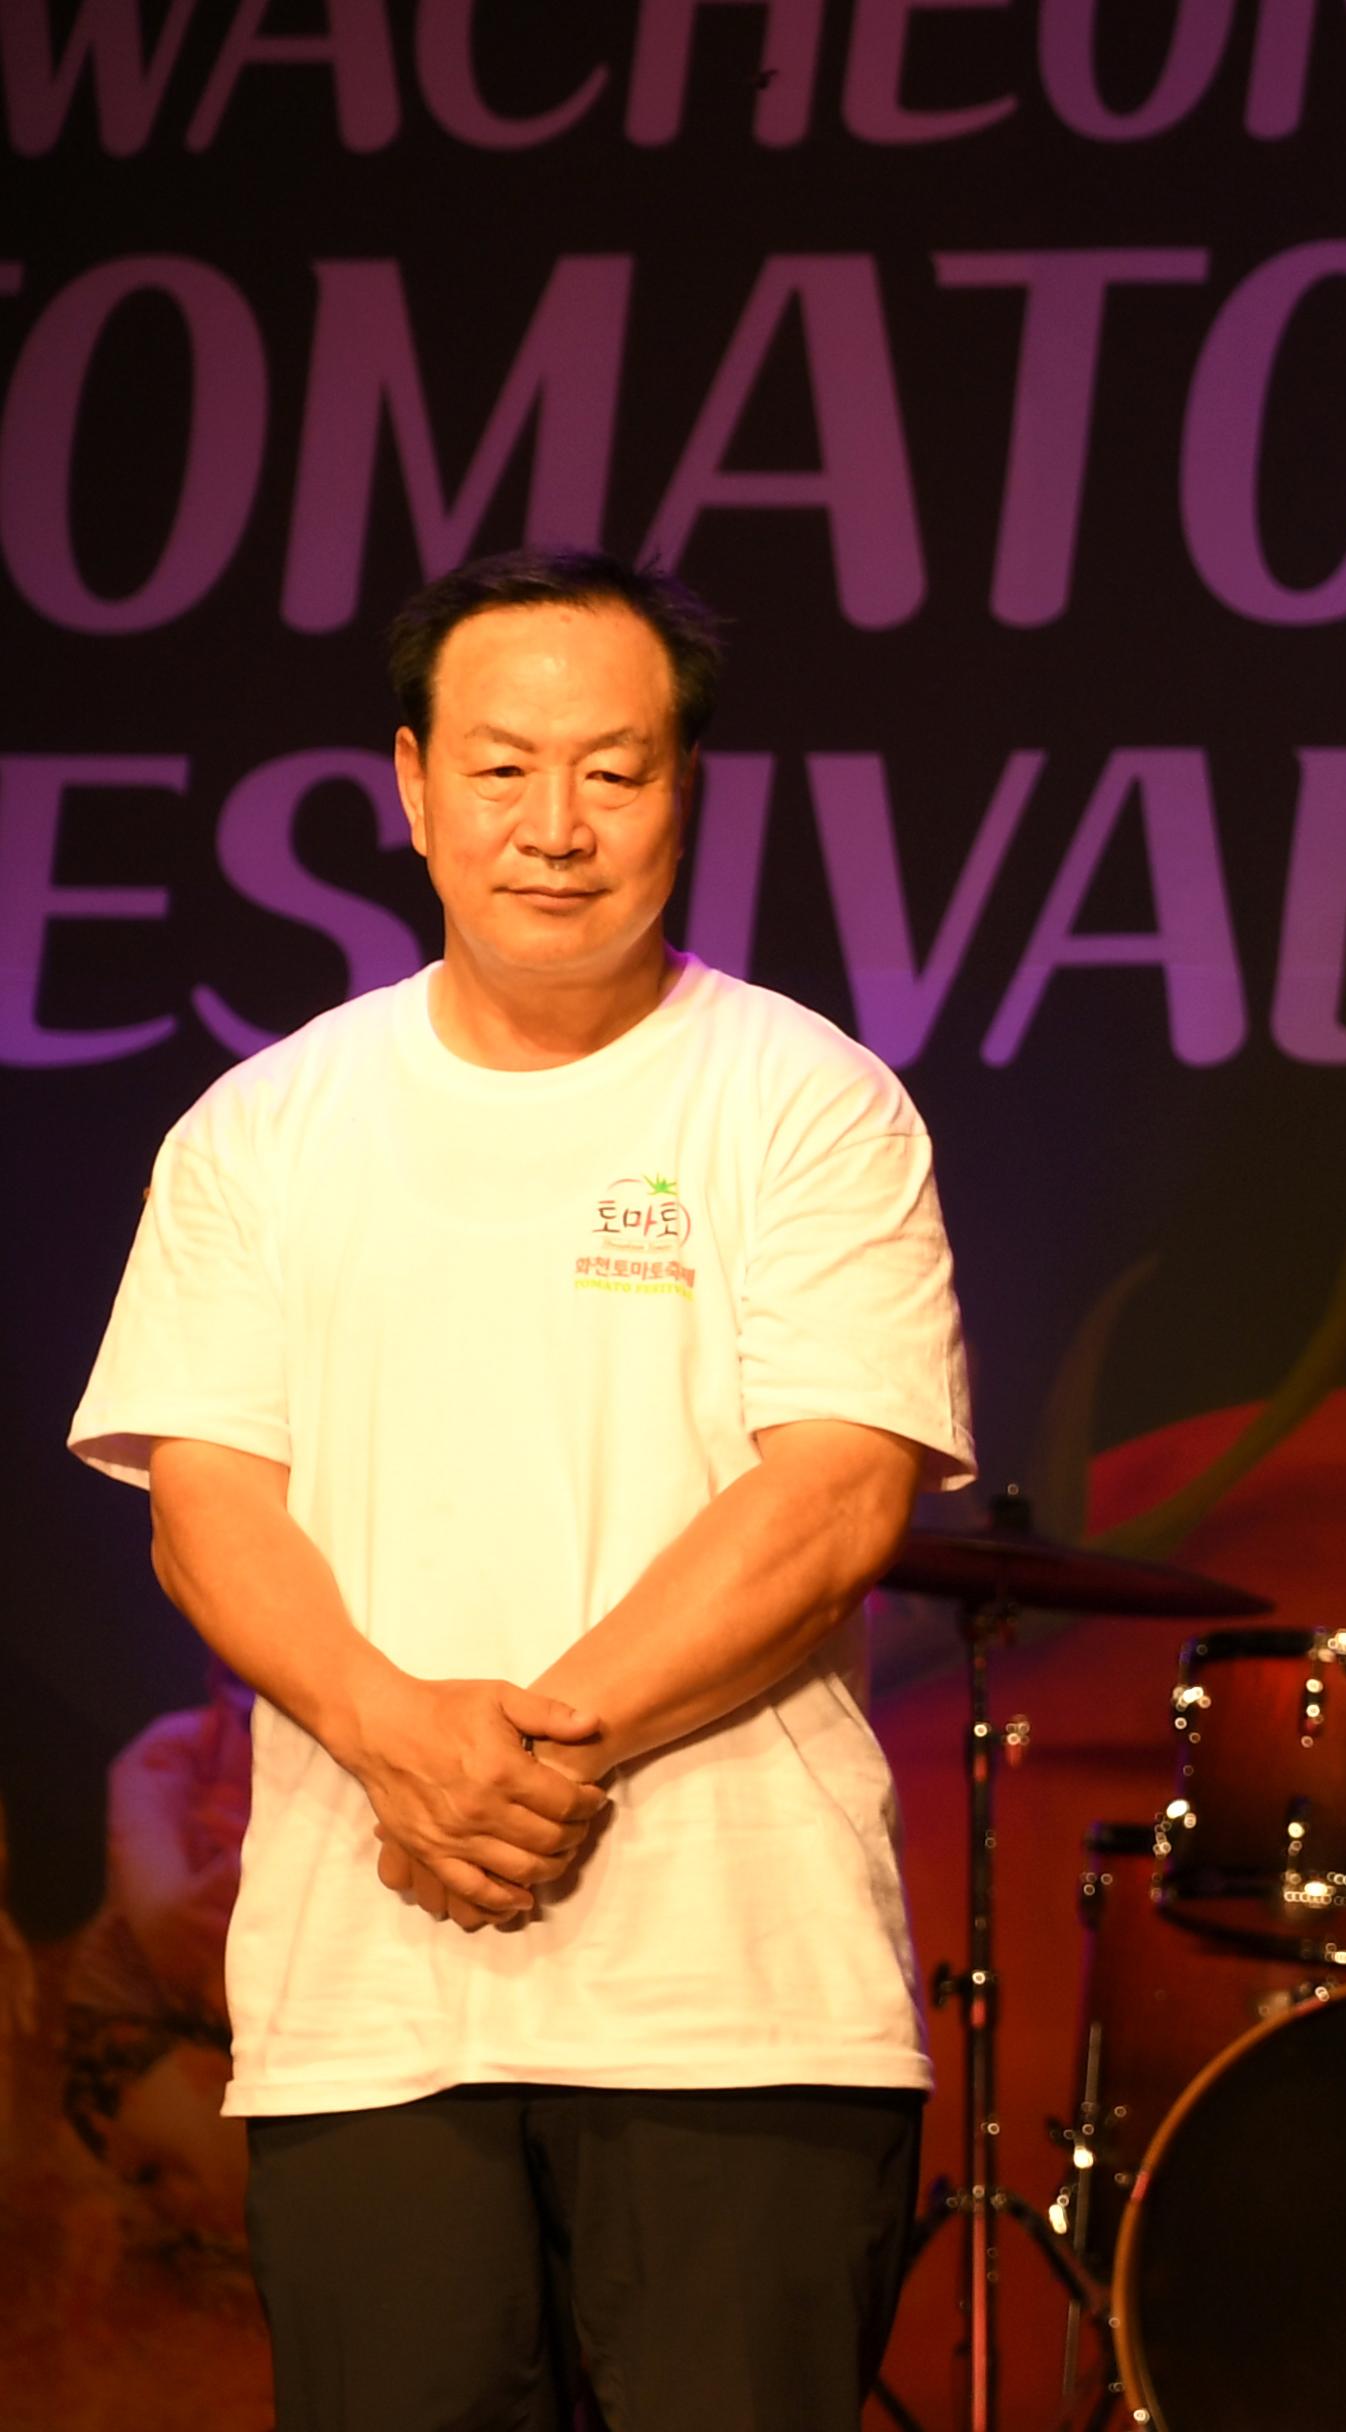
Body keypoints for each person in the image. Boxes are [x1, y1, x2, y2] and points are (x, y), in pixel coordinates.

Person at [69, 548, 975, 2432]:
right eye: (500, 769)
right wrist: (395, 1735)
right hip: (365, 2018)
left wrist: (514, 1758)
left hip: (741, 2005)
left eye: (613, 770)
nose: (554, 826)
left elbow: (829, 1501)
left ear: (683, 791)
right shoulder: (265, 1129)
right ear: (410, 786)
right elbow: (206, 1505)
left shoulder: (809, 1103)